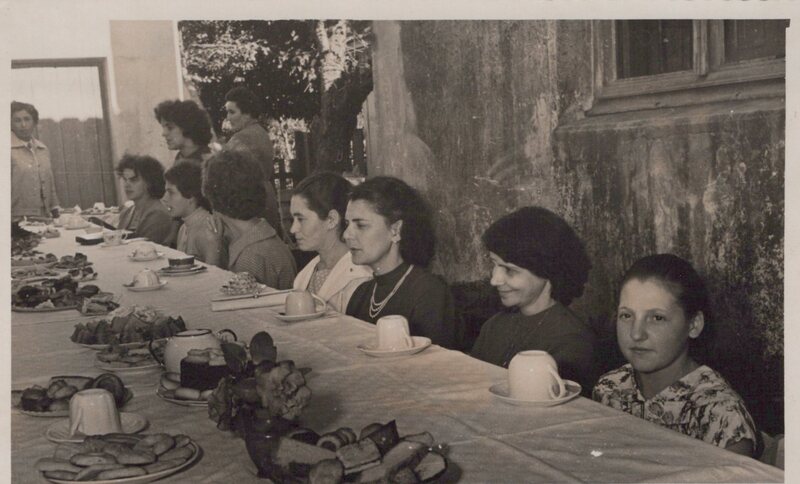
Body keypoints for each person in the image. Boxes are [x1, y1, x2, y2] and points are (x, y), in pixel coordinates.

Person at [593, 254, 761, 457]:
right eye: (626, 315)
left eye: (657, 318)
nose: (636, 334)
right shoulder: (609, 388)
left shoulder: (721, 415)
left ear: (694, 325)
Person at [470, 207, 597, 393]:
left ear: (546, 270)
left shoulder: (572, 341)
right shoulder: (494, 326)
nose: (495, 280)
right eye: (494, 264)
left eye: (510, 270)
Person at [344, 176, 455, 348]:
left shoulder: (429, 293)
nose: (346, 235)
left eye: (361, 225)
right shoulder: (361, 294)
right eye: (347, 224)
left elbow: (437, 362)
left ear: (395, 230)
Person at [203, 149, 296, 288]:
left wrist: (213, 250)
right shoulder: (261, 236)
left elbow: (215, 295)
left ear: (214, 198)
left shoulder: (251, 256)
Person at [290, 172, 372, 312]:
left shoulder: (362, 278)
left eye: (301, 219)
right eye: (293, 219)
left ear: (331, 220)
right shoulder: (303, 276)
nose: (293, 229)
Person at [223, 86, 283, 239]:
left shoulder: (243, 137)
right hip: (266, 198)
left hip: (250, 203)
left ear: (247, 113)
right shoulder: (260, 132)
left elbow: (220, 170)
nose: (228, 117)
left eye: (232, 112)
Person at [162, 162, 221, 266]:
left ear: (191, 196)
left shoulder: (207, 229)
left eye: (171, 192)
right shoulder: (184, 227)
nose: (164, 198)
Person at [11, 101, 61, 220]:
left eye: (27, 119)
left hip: (44, 217)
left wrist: (55, 210)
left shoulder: (42, 149)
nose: (23, 125)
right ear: (10, 123)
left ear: (34, 122)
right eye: (17, 120)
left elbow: (50, 183)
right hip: (16, 219)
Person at [115, 155, 178, 247]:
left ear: (149, 182)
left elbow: (146, 249)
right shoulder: (127, 211)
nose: (127, 185)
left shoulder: (159, 215)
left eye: (134, 180)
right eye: (125, 179)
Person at [154, 99, 214, 165]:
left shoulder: (208, 163)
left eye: (170, 128)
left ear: (187, 127)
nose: (164, 133)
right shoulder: (181, 157)